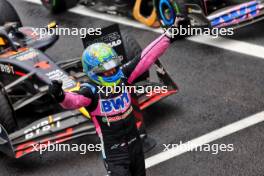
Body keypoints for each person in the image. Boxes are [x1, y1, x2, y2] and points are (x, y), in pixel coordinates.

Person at [49, 17, 183, 176]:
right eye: (106, 70)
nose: (112, 71)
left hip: (136, 146)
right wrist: (60, 95)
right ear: (94, 71)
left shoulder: (124, 76)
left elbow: (146, 57)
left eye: (113, 66)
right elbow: (73, 101)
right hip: (115, 155)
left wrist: (169, 34)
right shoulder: (90, 91)